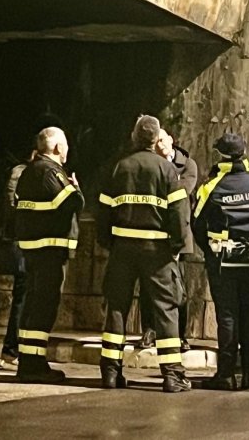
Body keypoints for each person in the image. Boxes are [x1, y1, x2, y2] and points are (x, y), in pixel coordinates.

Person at [97, 115, 193, 393]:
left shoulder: (119, 168)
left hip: (123, 250)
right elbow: (178, 213)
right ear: (155, 139)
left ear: (134, 136)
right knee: (165, 310)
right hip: (157, 251)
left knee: (116, 307)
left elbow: (104, 211)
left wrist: (109, 243)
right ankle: (172, 375)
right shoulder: (166, 170)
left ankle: (110, 372)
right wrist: (175, 245)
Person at [191, 132, 249, 391]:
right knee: (248, 314)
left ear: (221, 155)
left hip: (223, 259)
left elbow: (196, 223)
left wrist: (209, 250)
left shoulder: (212, 186)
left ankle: (225, 374)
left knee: (227, 315)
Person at [13, 128, 85, 383]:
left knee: (34, 304)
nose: (67, 151)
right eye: (65, 146)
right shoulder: (51, 172)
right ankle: (33, 365)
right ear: (56, 148)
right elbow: (71, 203)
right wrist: (76, 188)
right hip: (49, 251)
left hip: (33, 249)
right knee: (44, 305)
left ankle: (29, 360)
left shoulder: (28, 172)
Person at [139, 129, 199, 350]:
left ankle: (180, 334)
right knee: (148, 286)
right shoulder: (149, 164)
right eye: (156, 141)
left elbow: (181, 193)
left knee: (178, 287)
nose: (160, 144)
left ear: (172, 140)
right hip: (153, 233)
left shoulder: (188, 164)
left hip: (177, 232)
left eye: (163, 140)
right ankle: (149, 330)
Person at [0, 150, 35, 366]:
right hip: (21, 241)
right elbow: (14, 208)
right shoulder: (20, 174)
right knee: (23, 294)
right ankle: (11, 349)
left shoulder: (25, 173)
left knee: (24, 294)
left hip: (23, 240)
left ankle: (14, 348)